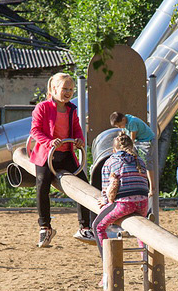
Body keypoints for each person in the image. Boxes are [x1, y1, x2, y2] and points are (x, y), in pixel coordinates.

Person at [29, 72, 95, 248]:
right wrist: (49, 142)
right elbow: (35, 131)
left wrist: (79, 139)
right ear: (53, 89)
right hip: (47, 154)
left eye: (71, 89)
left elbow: (76, 128)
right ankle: (45, 227)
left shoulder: (71, 109)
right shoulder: (42, 108)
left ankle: (85, 226)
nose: (68, 92)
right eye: (65, 88)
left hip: (66, 154)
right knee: (42, 186)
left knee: (83, 186)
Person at [92, 133, 153, 255]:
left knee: (97, 226)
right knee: (140, 230)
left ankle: (107, 259)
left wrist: (104, 201)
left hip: (124, 204)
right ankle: (145, 257)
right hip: (143, 203)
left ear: (113, 150)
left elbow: (106, 189)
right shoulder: (139, 160)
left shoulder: (111, 161)